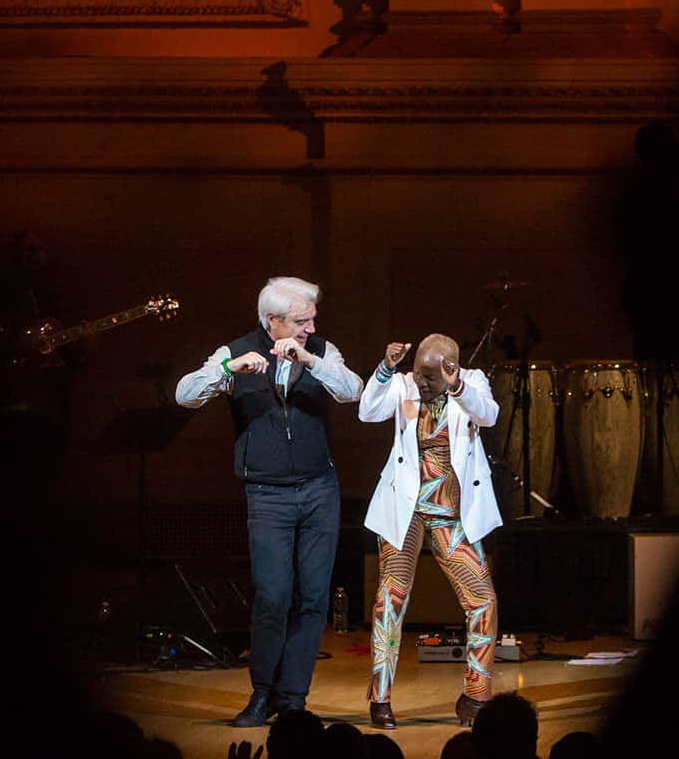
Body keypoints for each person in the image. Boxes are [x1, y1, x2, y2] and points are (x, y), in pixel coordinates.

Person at [175, 277, 362, 726]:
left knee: (313, 597)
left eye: (312, 319)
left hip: (319, 490)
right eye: (300, 321)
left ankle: (293, 698)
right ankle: (263, 693)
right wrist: (227, 371)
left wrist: (312, 360)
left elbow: (351, 389)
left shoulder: (319, 349)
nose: (309, 326)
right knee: (273, 596)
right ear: (272, 320)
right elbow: (184, 395)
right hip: (267, 494)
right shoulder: (235, 350)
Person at [359, 333, 502, 729]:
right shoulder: (403, 384)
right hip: (404, 512)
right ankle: (380, 699)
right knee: (391, 600)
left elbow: (488, 415)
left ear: (451, 369)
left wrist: (456, 387)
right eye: (418, 373)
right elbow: (367, 412)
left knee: (483, 601)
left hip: (450, 514)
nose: (421, 382)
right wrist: (387, 370)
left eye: (431, 376)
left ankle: (476, 697)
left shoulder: (471, 383)